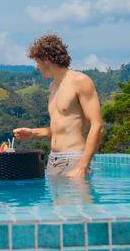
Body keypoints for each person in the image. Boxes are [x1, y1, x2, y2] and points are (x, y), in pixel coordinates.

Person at [12, 34, 103, 178]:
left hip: (74, 160)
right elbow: (62, 127)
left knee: (76, 201)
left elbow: (97, 125)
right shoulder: (52, 87)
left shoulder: (80, 81)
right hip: (53, 160)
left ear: (47, 60)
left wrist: (82, 166)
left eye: (37, 61)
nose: (37, 67)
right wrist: (33, 133)